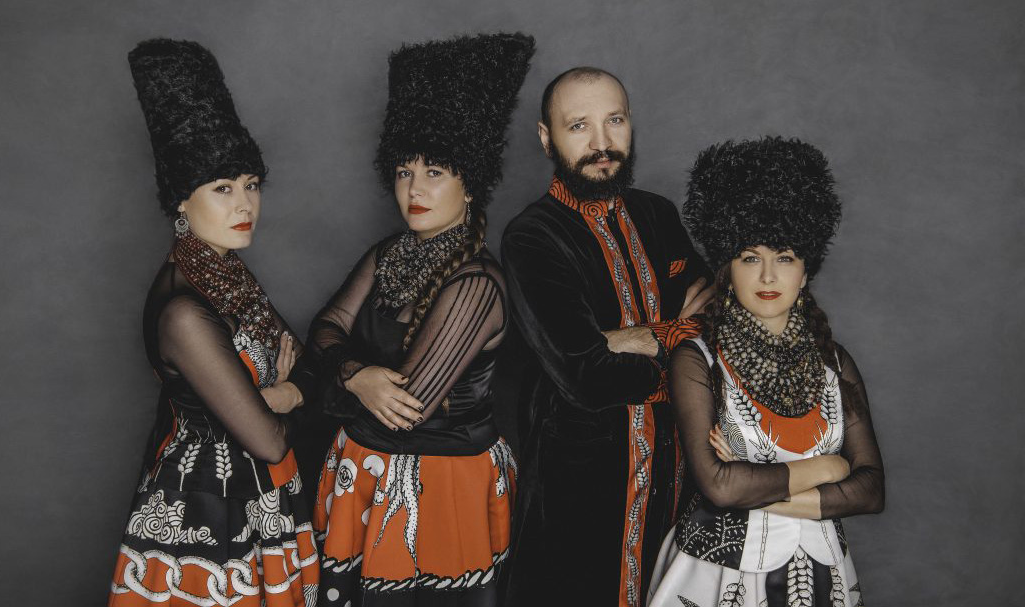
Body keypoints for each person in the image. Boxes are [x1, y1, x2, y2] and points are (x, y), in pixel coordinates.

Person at [306, 33, 534, 606]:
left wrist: (331, 376)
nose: (415, 188)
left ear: (470, 182)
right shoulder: (388, 252)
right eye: (404, 171)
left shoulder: (477, 285)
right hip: (365, 473)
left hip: (439, 489)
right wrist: (357, 375)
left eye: (435, 171)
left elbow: (405, 410)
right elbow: (323, 329)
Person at [109, 39, 320, 606]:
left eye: (251, 185)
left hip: (262, 501)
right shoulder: (184, 310)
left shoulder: (226, 275)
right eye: (223, 189)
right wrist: (286, 394)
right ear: (182, 201)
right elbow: (268, 441)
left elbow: (311, 363)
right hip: (206, 511)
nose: (244, 205)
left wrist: (283, 393)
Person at [502, 67, 716, 607]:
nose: (602, 143)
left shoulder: (659, 214)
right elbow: (586, 376)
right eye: (579, 126)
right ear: (546, 138)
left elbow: (719, 325)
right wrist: (676, 341)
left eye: (614, 121)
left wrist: (626, 338)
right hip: (579, 496)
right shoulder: (532, 237)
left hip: (679, 485)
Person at [644, 136, 885, 607]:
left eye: (785, 257)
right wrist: (828, 468)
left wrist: (753, 485)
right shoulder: (697, 359)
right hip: (718, 576)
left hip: (825, 576)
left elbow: (872, 490)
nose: (768, 276)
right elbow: (717, 486)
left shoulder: (835, 362)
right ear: (728, 268)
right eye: (751, 257)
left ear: (805, 272)